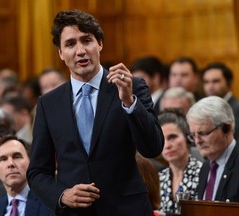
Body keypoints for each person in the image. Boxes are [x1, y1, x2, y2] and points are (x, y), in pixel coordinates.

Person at [27, 10, 164, 216]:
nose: (80, 51)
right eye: (70, 44)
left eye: (87, 40)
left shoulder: (131, 86)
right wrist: (62, 195)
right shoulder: (48, 103)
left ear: (99, 43)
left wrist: (128, 101)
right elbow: (37, 172)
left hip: (127, 210)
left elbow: (152, 148)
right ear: (61, 53)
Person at [0, 135, 54, 216]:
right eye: (3, 159)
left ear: (30, 163)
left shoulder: (49, 204)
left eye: (17, 157)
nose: (11, 164)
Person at [186, 96, 239, 202]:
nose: (197, 141)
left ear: (227, 129)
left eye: (203, 133)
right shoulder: (205, 167)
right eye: (193, 135)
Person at [156, 109, 202, 215]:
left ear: (188, 138)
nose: (167, 145)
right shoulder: (159, 178)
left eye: (172, 137)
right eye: (162, 139)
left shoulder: (203, 173)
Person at [201, 62, 239, 141]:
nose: (210, 87)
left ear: (229, 83)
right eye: (206, 82)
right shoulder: (202, 109)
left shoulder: (237, 109)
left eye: (216, 81)